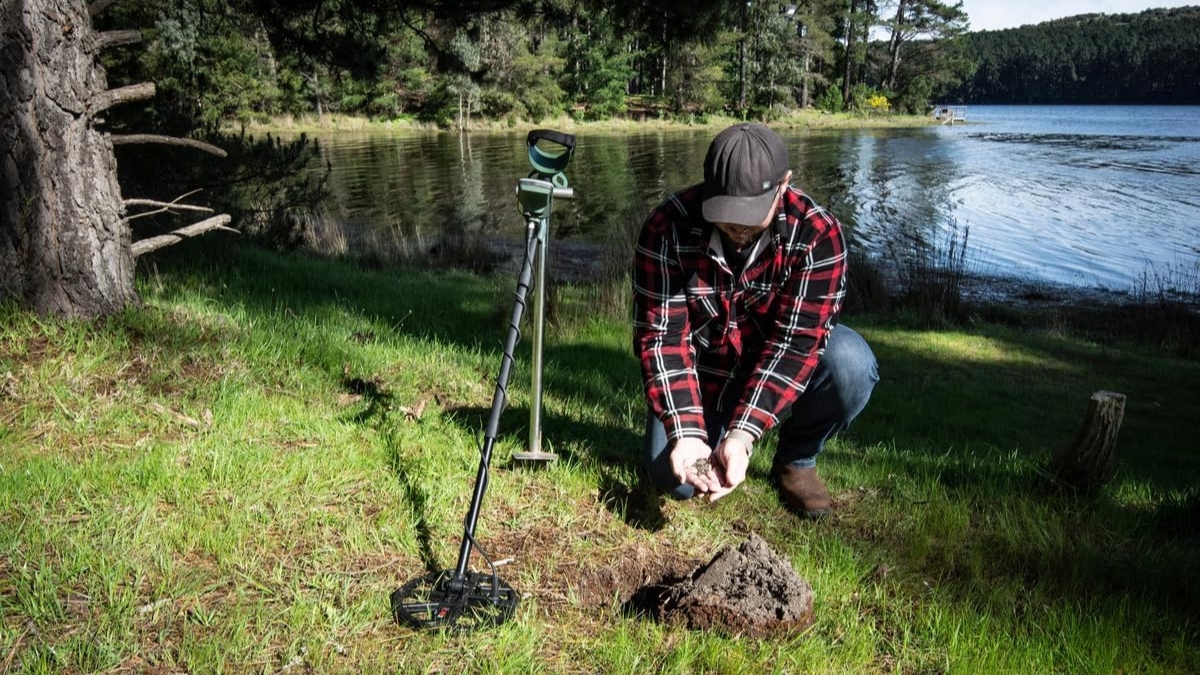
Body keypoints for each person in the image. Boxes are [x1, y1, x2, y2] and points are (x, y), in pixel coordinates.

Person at [632, 122, 878, 519]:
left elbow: (796, 346)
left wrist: (742, 435)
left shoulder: (818, 236)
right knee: (673, 478)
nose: (736, 226)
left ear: (783, 186)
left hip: (774, 368)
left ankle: (796, 460)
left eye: (748, 213)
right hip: (704, 378)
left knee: (850, 362)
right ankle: (702, 430)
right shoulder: (667, 228)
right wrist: (686, 430)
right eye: (725, 211)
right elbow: (662, 341)